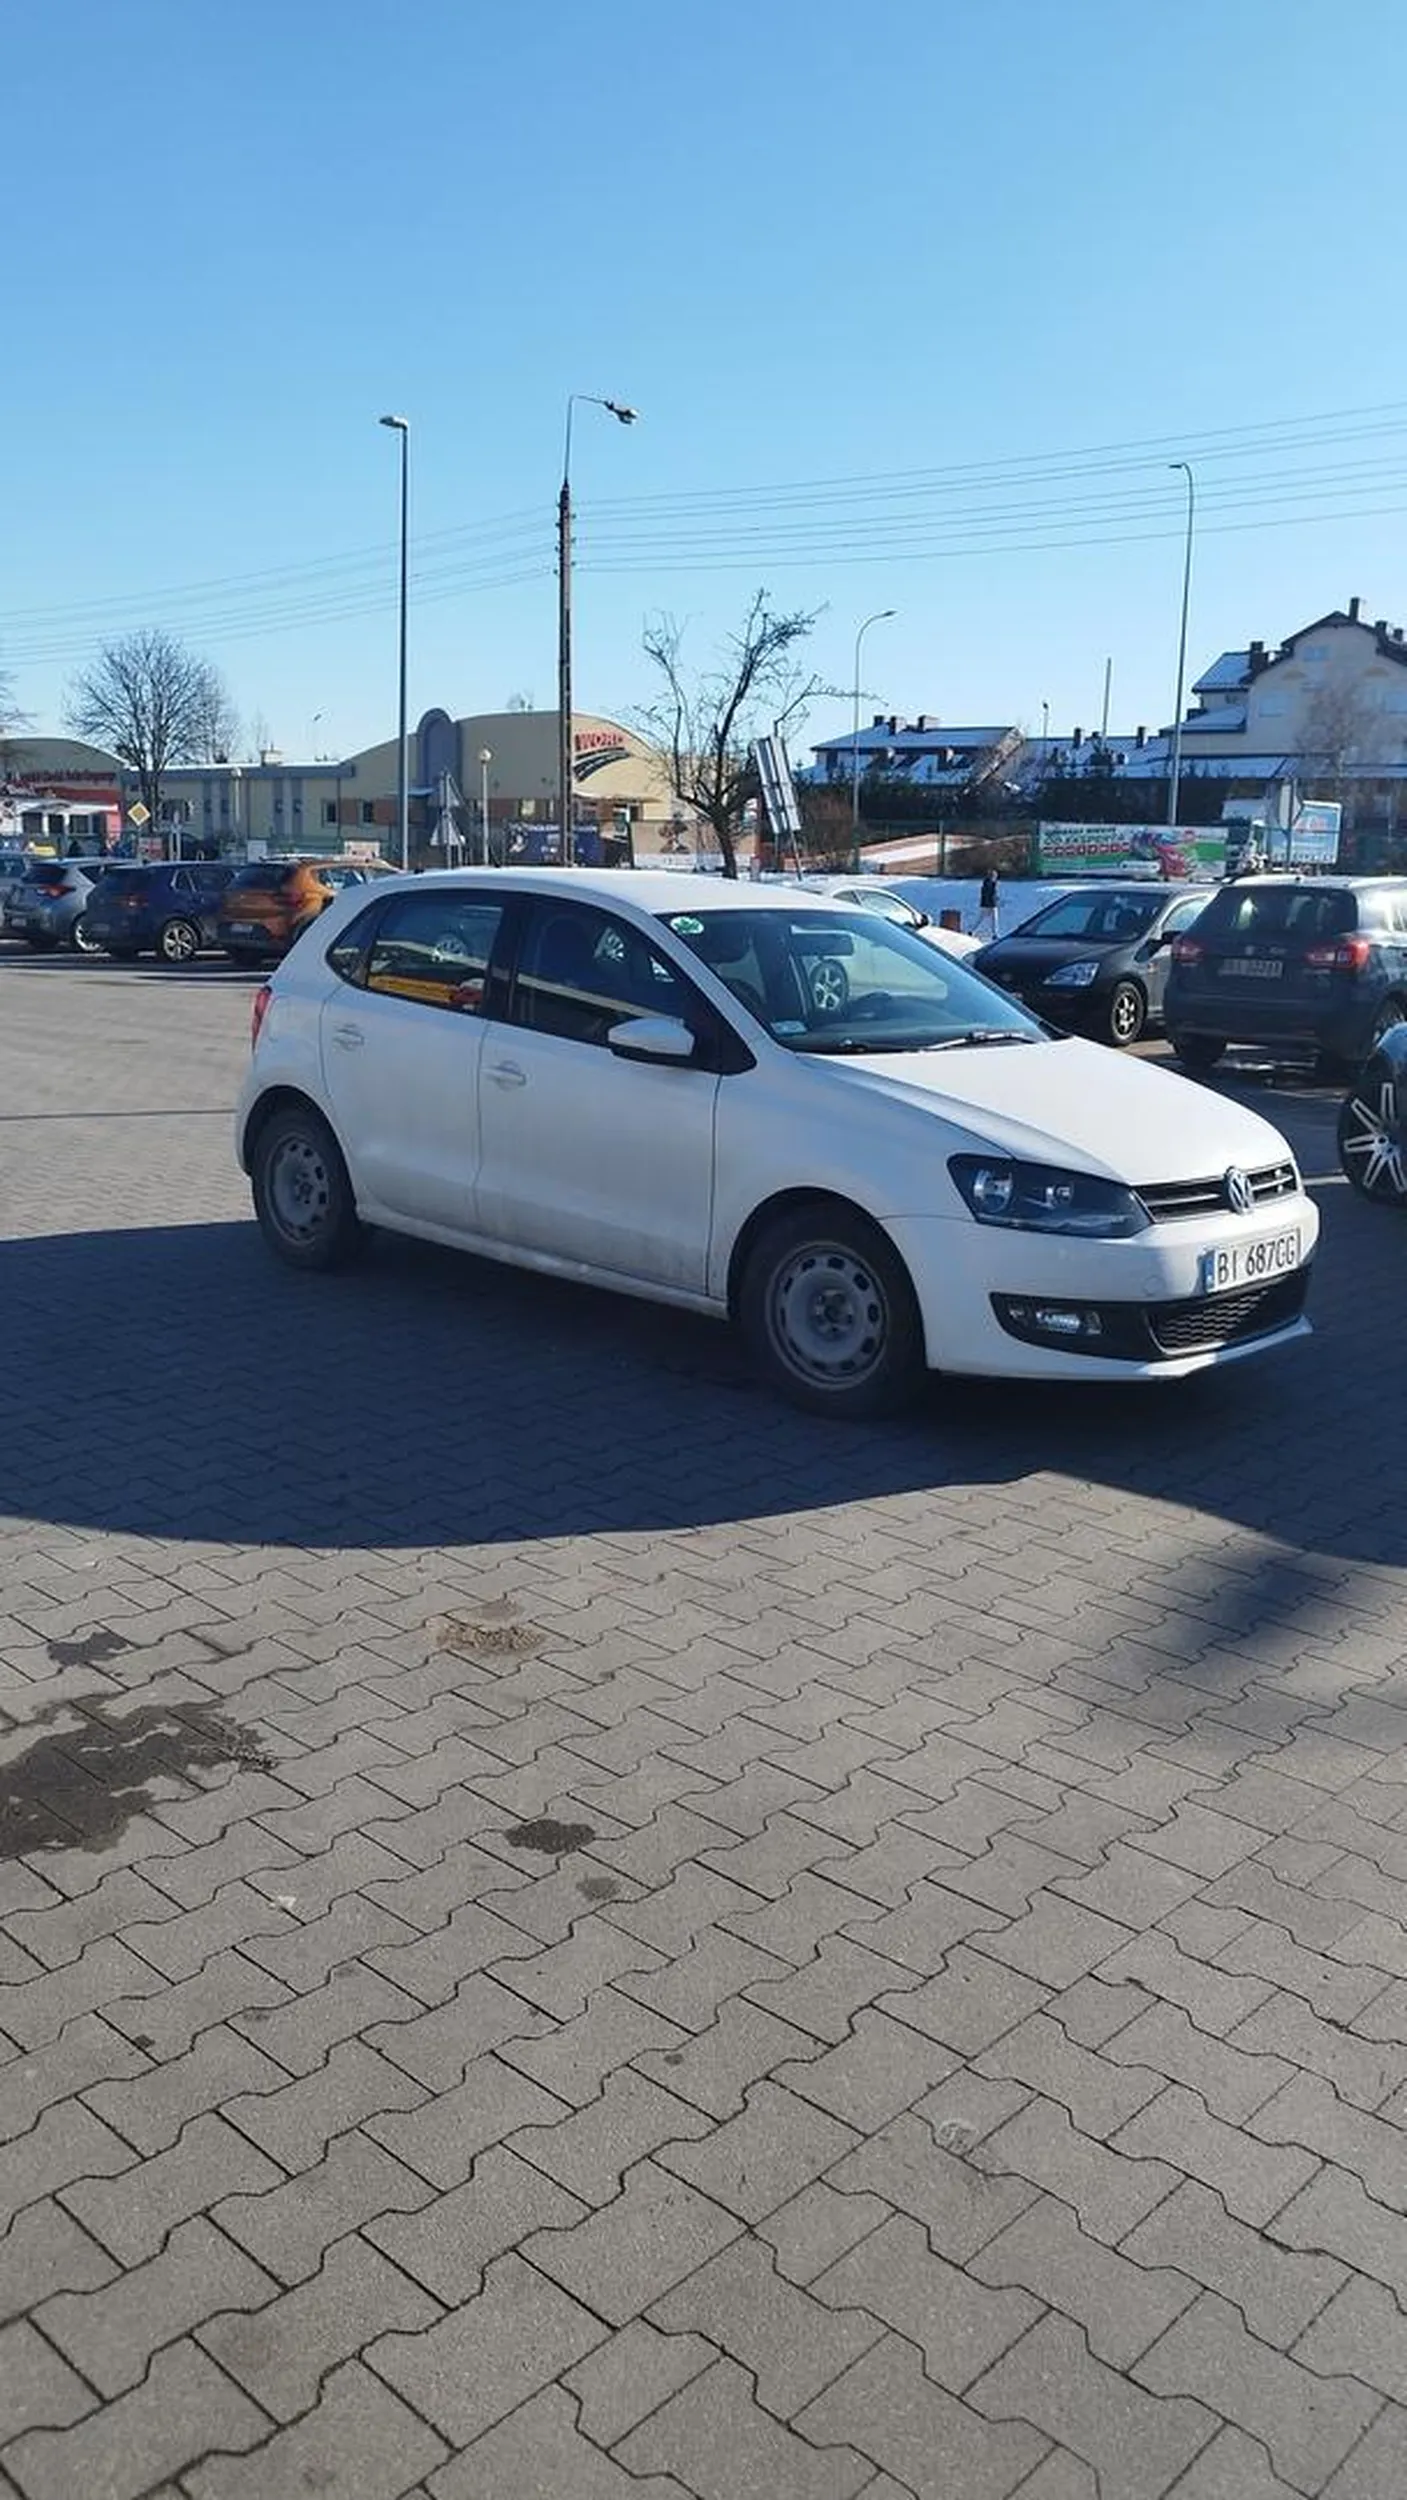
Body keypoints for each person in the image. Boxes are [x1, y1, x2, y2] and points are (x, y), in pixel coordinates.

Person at [977, 865, 1000, 937]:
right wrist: (995, 899)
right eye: (994, 876)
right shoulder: (992, 884)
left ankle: (971, 930)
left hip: (985, 904)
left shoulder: (985, 884)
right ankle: (995, 934)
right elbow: (992, 894)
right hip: (991, 904)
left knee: (980, 919)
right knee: (994, 920)